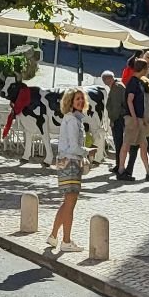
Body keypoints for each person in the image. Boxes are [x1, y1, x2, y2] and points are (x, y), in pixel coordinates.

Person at [46, 88, 88, 253]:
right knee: (70, 204)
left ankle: (54, 236)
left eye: (81, 99)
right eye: (77, 99)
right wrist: (87, 151)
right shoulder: (72, 121)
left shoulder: (72, 119)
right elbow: (74, 146)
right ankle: (66, 241)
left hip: (66, 161)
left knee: (67, 203)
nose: (80, 102)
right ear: (70, 102)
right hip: (70, 162)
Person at [100, 71, 126, 172]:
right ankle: (119, 164)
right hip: (119, 117)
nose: (104, 83)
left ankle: (119, 165)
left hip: (118, 119)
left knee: (118, 142)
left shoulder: (116, 88)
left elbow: (116, 107)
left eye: (104, 81)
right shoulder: (117, 86)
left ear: (108, 79)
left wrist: (113, 120)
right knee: (118, 143)